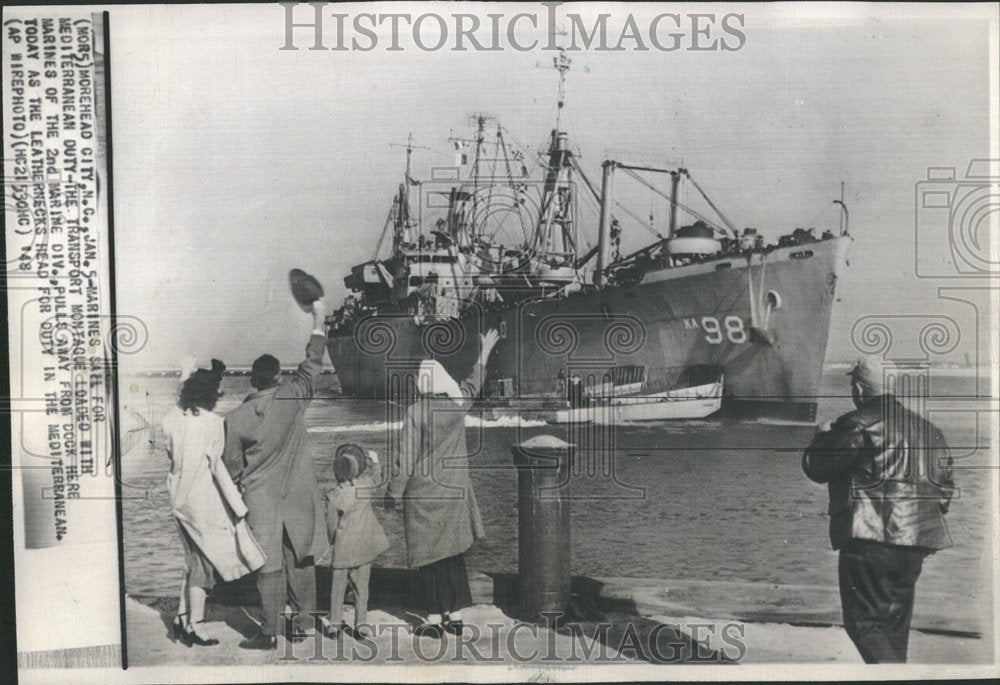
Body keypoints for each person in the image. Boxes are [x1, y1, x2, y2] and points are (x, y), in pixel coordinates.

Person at [802, 355, 954, 663]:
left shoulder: (857, 425)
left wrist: (822, 437)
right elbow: (945, 491)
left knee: (864, 624)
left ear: (859, 388)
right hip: (916, 543)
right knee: (893, 628)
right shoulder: (930, 431)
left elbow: (817, 468)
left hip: (869, 540)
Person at [222, 299, 328, 650]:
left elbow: (232, 468)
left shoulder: (235, 419)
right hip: (299, 495)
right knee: (300, 557)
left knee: (267, 566)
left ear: (251, 380)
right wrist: (318, 319)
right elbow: (313, 364)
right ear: (278, 377)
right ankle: (301, 627)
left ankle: (268, 632)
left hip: (260, 499)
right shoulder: (291, 396)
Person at [385, 329, 499, 638]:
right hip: (454, 491)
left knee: (429, 557)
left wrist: (393, 492)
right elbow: (474, 383)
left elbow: (405, 459)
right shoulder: (458, 406)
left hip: (423, 494)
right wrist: (485, 349)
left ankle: (434, 618)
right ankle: (457, 616)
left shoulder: (415, 412)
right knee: (453, 554)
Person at [163, 361, 264, 647]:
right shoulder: (213, 424)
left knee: (192, 561)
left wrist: (183, 375)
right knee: (204, 566)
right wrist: (237, 503)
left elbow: (170, 449)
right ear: (210, 396)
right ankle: (195, 625)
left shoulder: (172, 419)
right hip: (202, 501)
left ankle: (181, 619)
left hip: (177, 499)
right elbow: (218, 463)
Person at [317, 444, 389, 639]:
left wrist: (332, 541)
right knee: (361, 588)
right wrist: (375, 460)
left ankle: (334, 626)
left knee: (337, 589)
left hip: (342, 550)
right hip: (365, 547)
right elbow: (377, 478)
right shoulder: (365, 487)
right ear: (358, 470)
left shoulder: (334, 496)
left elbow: (331, 525)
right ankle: (361, 626)